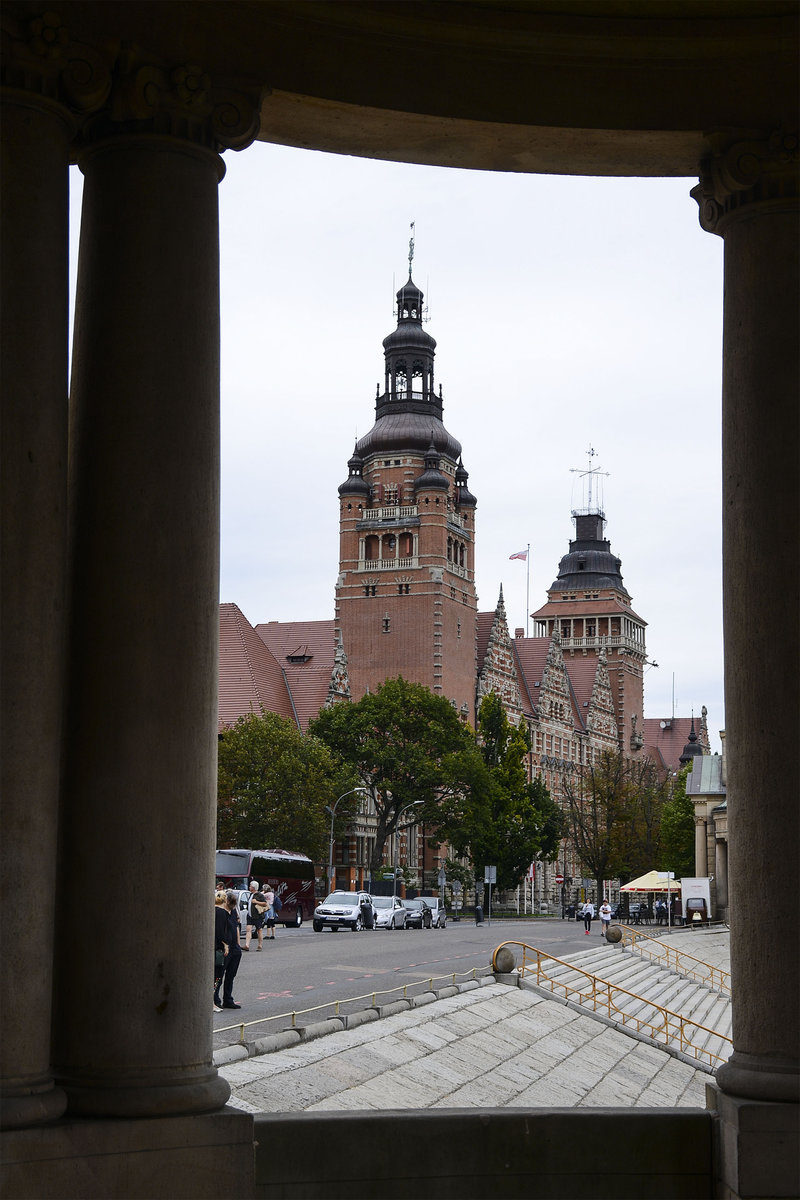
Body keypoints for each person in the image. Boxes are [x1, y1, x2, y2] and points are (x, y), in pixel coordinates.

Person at [221, 889, 242, 1008]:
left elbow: (236, 927)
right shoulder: (220, 913)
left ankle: (228, 999)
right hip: (225, 947)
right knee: (219, 976)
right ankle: (215, 999)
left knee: (231, 975)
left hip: (234, 948)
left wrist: (238, 945)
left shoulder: (233, 912)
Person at [213, 890, 228, 1012]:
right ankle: (212, 1002)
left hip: (209, 946)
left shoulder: (211, 910)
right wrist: (225, 945)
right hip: (217, 948)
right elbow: (220, 931)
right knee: (217, 976)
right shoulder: (222, 912)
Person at [244, 879, 267, 951]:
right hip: (250, 915)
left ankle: (260, 945)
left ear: (253, 887)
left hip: (258, 916)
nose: (249, 887)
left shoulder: (260, 895)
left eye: (250, 886)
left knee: (259, 930)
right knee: (248, 930)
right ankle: (247, 945)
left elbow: (265, 903)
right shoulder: (251, 894)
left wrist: (256, 902)